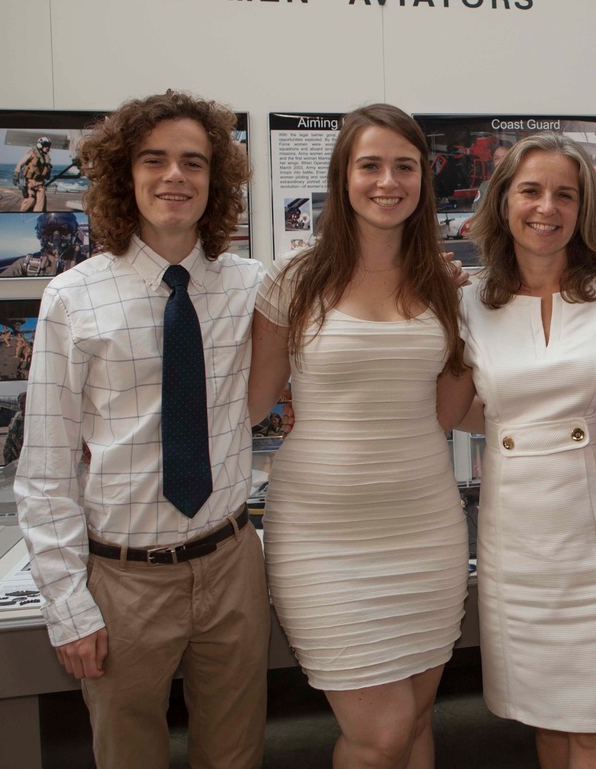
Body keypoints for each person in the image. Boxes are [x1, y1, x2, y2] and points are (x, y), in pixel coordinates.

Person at [14, 91, 270, 769]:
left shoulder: (253, 286)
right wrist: (68, 604)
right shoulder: (72, 299)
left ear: (217, 181)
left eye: (194, 161)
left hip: (231, 563)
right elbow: (46, 467)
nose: (174, 177)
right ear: (124, 176)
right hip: (125, 579)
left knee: (237, 754)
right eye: (153, 160)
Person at [248, 103, 469, 769]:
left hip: (424, 525)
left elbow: (450, 410)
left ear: (423, 178)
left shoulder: (442, 281)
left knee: (416, 723)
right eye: (369, 165)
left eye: (404, 166)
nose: (387, 181)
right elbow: (252, 402)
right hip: (323, 534)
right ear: (343, 176)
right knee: (380, 732)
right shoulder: (293, 280)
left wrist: (469, 324)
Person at [452, 133, 596, 769]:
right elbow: (471, 410)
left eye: (564, 194)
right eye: (530, 190)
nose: (545, 207)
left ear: (584, 210)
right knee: (544, 718)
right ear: (501, 203)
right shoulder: (469, 300)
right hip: (517, 542)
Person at [0, 211, 89, 277]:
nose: (56, 237)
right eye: (48, 231)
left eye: (63, 230)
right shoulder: (26, 264)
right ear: (40, 235)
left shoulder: (87, 262)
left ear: (74, 234)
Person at [13, 136, 53, 212]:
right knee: (30, 200)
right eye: (45, 145)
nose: (47, 147)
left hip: (40, 183)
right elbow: (20, 163)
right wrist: (16, 174)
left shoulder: (46, 157)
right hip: (30, 182)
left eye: (48, 146)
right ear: (40, 145)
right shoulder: (32, 153)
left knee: (40, 205)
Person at [471, 142, 510, 211]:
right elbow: (476, 213)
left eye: (505, 157)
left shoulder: (523, 184)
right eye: (496, 158)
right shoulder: (485, 186)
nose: (500, 162)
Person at [3, 391, 27, 464]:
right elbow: (9, 441)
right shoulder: (15, 421)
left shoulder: (37, 419)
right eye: (22, 403)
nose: (24, 406)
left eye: (26, 403)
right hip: (17, 460)